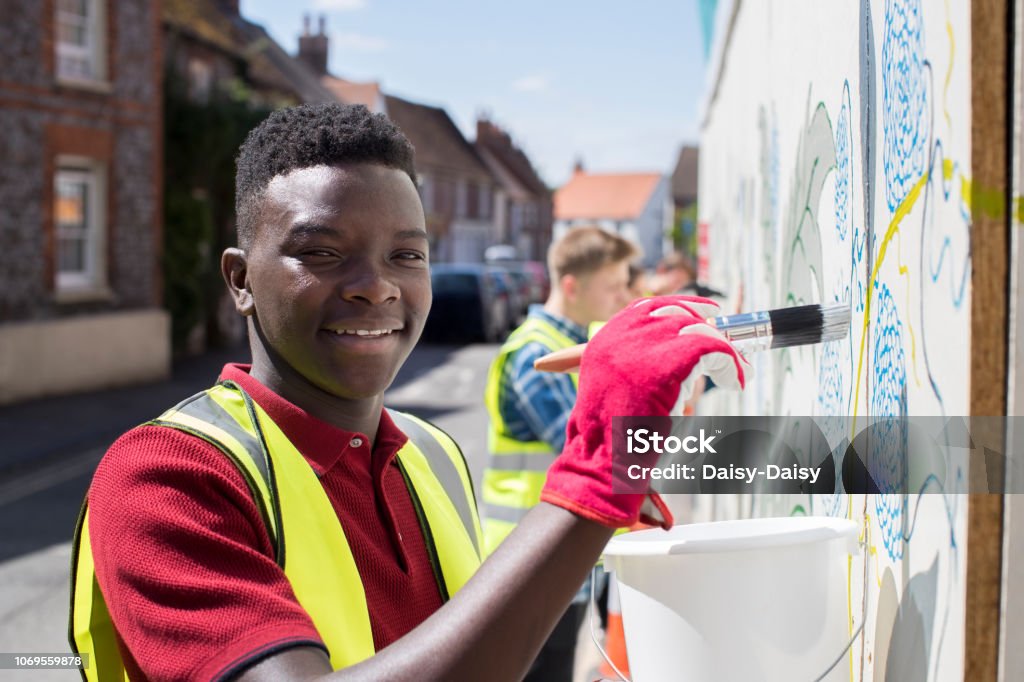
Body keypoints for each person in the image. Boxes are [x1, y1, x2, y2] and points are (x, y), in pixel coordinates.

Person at [69, 103, 749, 681]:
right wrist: (601, 476)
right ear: (241, 281)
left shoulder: (430, 454)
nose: (377, 284)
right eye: (324, 252)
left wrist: (850, 455)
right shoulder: (166, 477)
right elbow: (596, 467)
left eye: (407, 254)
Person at [481, 226, 636, 680]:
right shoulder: (538, 355)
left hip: (557, 561)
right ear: (571, 286)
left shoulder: (576, 348)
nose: (623, 296)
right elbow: (601, 454)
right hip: (531, 564)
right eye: (614, 286)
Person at [648, 251, 725, 299]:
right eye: (677, 280)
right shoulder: (645, 287)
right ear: (662, 269)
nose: (677, 287)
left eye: (681, 284)